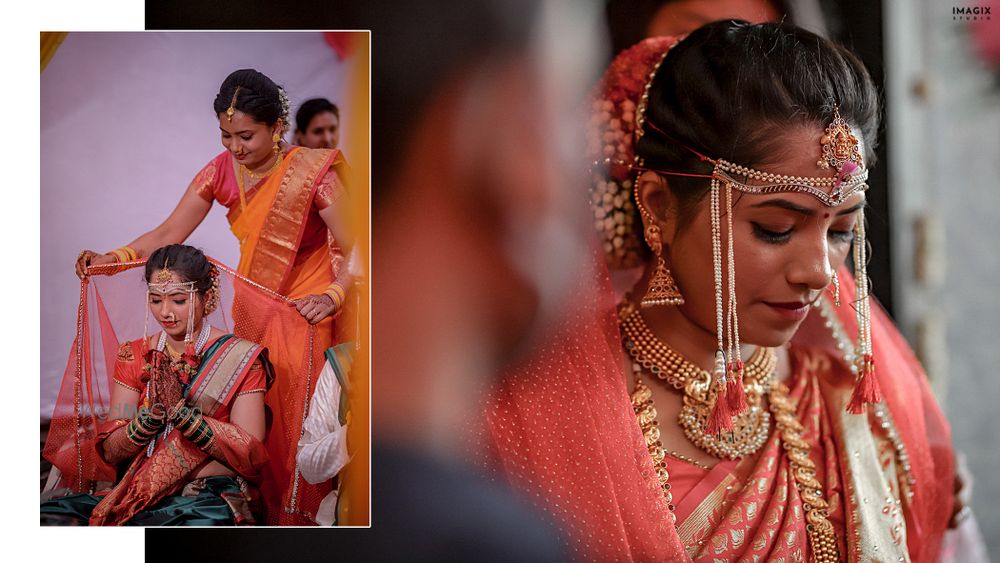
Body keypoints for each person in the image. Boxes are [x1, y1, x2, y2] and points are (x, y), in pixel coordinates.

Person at [485, 21, 963, 561]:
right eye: (776, 228)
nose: (820, 272)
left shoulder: (845, 408)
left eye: (840, 232)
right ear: (660, 205)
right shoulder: (546, 417)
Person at [72, 69, 352, 524]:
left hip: (307, 311)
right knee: (249, 415)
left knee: (297, 427)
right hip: (256, 304)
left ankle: (299, 526)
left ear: (277, 127)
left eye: (246, 136)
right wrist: (113, 256)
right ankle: (253, 514)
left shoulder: (312, 171)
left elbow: (362, 241)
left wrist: (336, 294)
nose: (235, 148)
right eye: (225, 136)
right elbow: (168, 231)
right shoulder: (222, 169)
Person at [42, 245, 272, 525]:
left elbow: (250, 452)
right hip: (136, 488)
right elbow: (112, 450)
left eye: (178, 300)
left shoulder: (242, 358)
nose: (166, 313)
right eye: (155, 300)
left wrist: (183, 415)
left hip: (205, 495)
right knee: (53, 519)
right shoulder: (134, 355)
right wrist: (147, 422)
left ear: (206, 298)